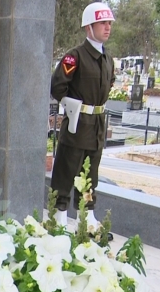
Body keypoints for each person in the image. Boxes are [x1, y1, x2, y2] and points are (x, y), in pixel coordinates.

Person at [49, 2, 116, 232]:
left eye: (109, 23)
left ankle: (86, 215)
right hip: (78, 124)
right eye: (102, 23)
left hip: (97, 124)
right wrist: (73, 108)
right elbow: (58, 87)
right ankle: (58, 214)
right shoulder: (74, 57)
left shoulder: (108, 59)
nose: (107, 28)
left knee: (90, 172)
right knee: (67, 169)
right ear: (89, 27)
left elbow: (109, 84)